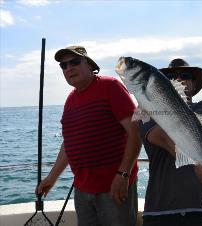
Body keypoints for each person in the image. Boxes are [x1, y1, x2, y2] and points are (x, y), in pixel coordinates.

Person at [36, 46, 141, 226]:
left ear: (89, 64)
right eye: (63, 65)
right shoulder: (70, 100)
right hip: (82, 190)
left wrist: (123, 174)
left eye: (75, 62)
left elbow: (136, 132)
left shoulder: (110, 86)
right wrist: (51, 178)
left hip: (114, 187)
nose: (69, 68)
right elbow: (69, 144)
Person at [139, 58, 202, 226]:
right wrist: (198, 165)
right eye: (170, 76)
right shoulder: (145, 110)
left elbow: (195, 136)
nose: (178, 79)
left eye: (185, 75)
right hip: (159, 211)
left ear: (193, 84)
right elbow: (161, 137)